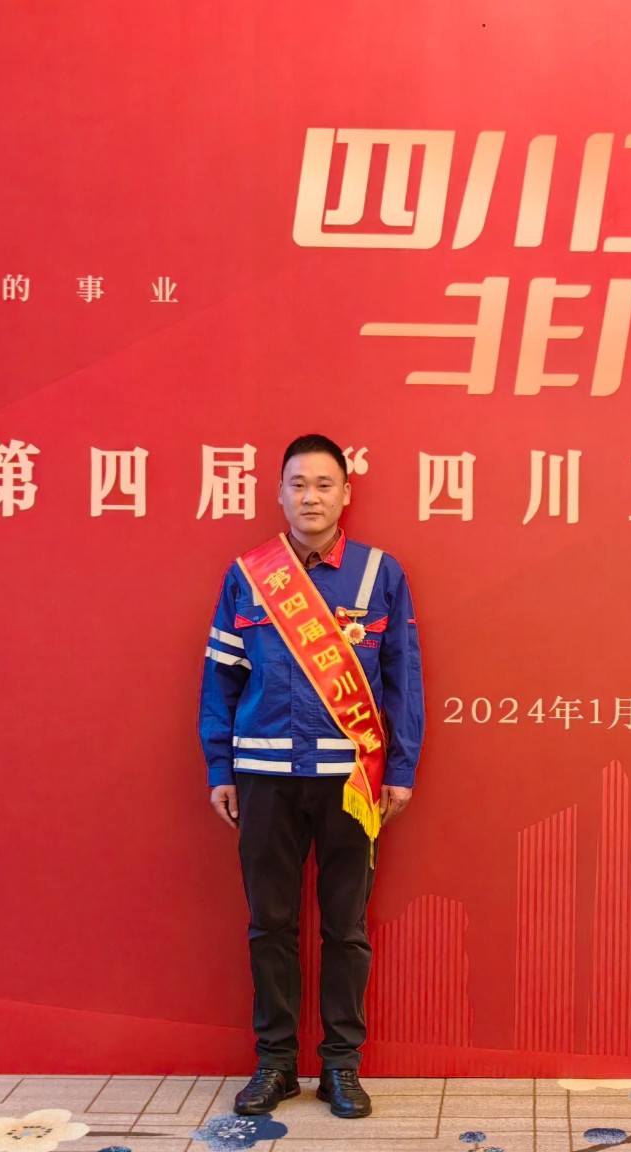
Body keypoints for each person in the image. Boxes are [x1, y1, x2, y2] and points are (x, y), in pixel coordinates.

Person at [197, 432, 422, 1120]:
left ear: (346, 493)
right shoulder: (249, 575)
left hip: (350, 780)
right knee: (270, 924)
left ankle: (341, 1067)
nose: (311, 497)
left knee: (346, 927)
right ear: (279, 492)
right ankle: (275, 1064)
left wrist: (401, 767)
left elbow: (402, 677)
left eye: (324, 484)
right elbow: (221, 678)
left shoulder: (379, 573)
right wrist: (219, 765)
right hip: (262, 774)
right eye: (298, 484)